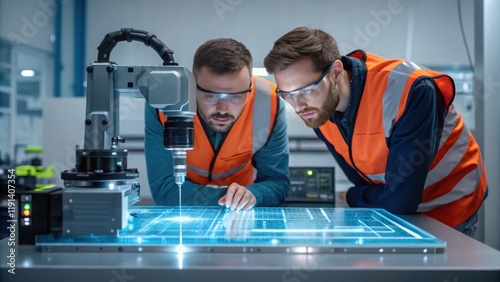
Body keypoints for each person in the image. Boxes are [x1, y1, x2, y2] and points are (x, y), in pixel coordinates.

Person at [263, 26, 488, 236]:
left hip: (449, 203)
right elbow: (367, 183)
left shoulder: (410, 90)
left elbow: (400, 201)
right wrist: (376, 196)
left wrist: (351, 196)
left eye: (307, 90)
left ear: (336, 73)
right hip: (394, 211)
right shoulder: (318, 111)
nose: (297, 105)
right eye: (287, 95)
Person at [145, 38, 290, 211]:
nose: (223, 109)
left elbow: (277, 183)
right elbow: (165, 191)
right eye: (211, 95)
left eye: (236, 96)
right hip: (190, 213)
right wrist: (230, 198)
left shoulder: (268, 103)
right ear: (193, 86)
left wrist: (254, 195)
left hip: (243, 212)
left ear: (250, 88)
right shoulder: (164, 103)